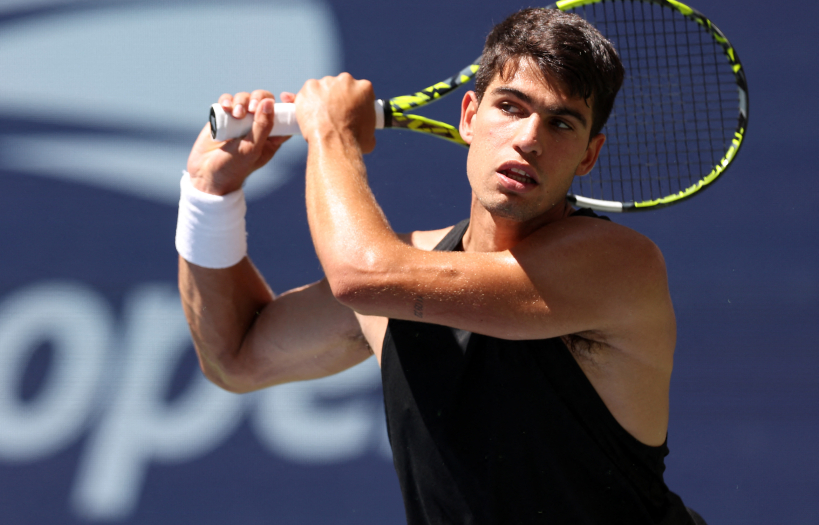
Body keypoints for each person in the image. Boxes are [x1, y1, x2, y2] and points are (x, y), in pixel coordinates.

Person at [175, 7, 703, 525]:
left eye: (562, 123)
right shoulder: (406, 274)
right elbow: (234, 358)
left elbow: (361, 276)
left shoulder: (617, 267)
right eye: (512, 107)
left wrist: (331, 133)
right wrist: (209, 193)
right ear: (469, 115)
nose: (530, 138)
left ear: (589, 156)